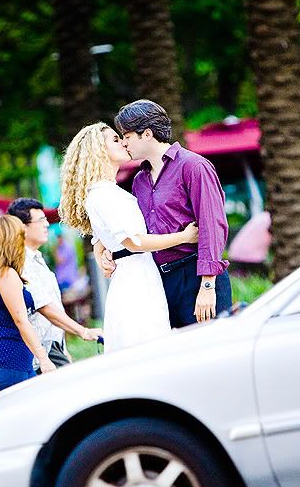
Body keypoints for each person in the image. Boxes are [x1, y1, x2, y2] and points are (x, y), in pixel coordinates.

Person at [59, 122, 198, 351]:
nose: (123, 142)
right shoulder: (104, 194)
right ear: (99, 150)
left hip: (137, 275)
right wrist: (183, 237)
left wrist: (102, 251)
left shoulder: (106, 192)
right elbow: (134, 242)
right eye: (115, 139)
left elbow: (103, 237)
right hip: (136, 282)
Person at [99, 99, 233, 327]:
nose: (123, 142)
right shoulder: (139, 181)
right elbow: (139, 233)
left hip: (196, 275)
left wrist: (208, 285)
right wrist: (108, 251)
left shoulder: (193, 166)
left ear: (147, 133)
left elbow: (212, 226)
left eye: (127, 136)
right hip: (160, 282)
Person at [7, 198, 102, 369]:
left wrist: (63, 348)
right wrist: (83, 331)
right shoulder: (22, 263)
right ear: (22, 228)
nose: (46, 225)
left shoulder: (37, 257)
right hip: (43, 349)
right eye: (40, 220)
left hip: (54, 344)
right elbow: (44, 307)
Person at [0, 215, 56, 393]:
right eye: (22, 235)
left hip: (2, 358)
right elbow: (21, 320)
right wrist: (43, 358)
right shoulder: (7, 274)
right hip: (10, 358)